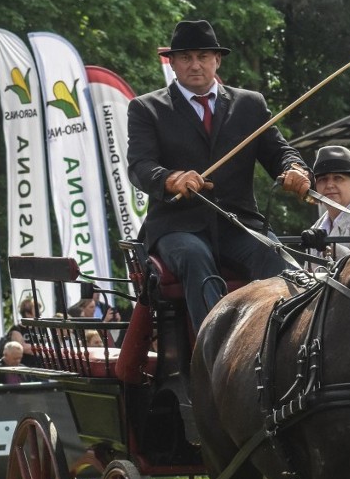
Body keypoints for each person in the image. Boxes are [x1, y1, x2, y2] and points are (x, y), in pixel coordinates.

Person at [127, 18, 313, 331]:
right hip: (177, 227)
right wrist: (171, 179)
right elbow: (140, 166)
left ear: (217, 59)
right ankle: (214, 355)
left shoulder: (250, 105)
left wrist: (295, 170)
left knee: (279, 261)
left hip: (238, 223)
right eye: (185, 58)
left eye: (202, 57)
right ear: (171, 63)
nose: (195, 65)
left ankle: (288, 345)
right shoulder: (146, 109)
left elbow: (279, 152)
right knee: (196, 260)